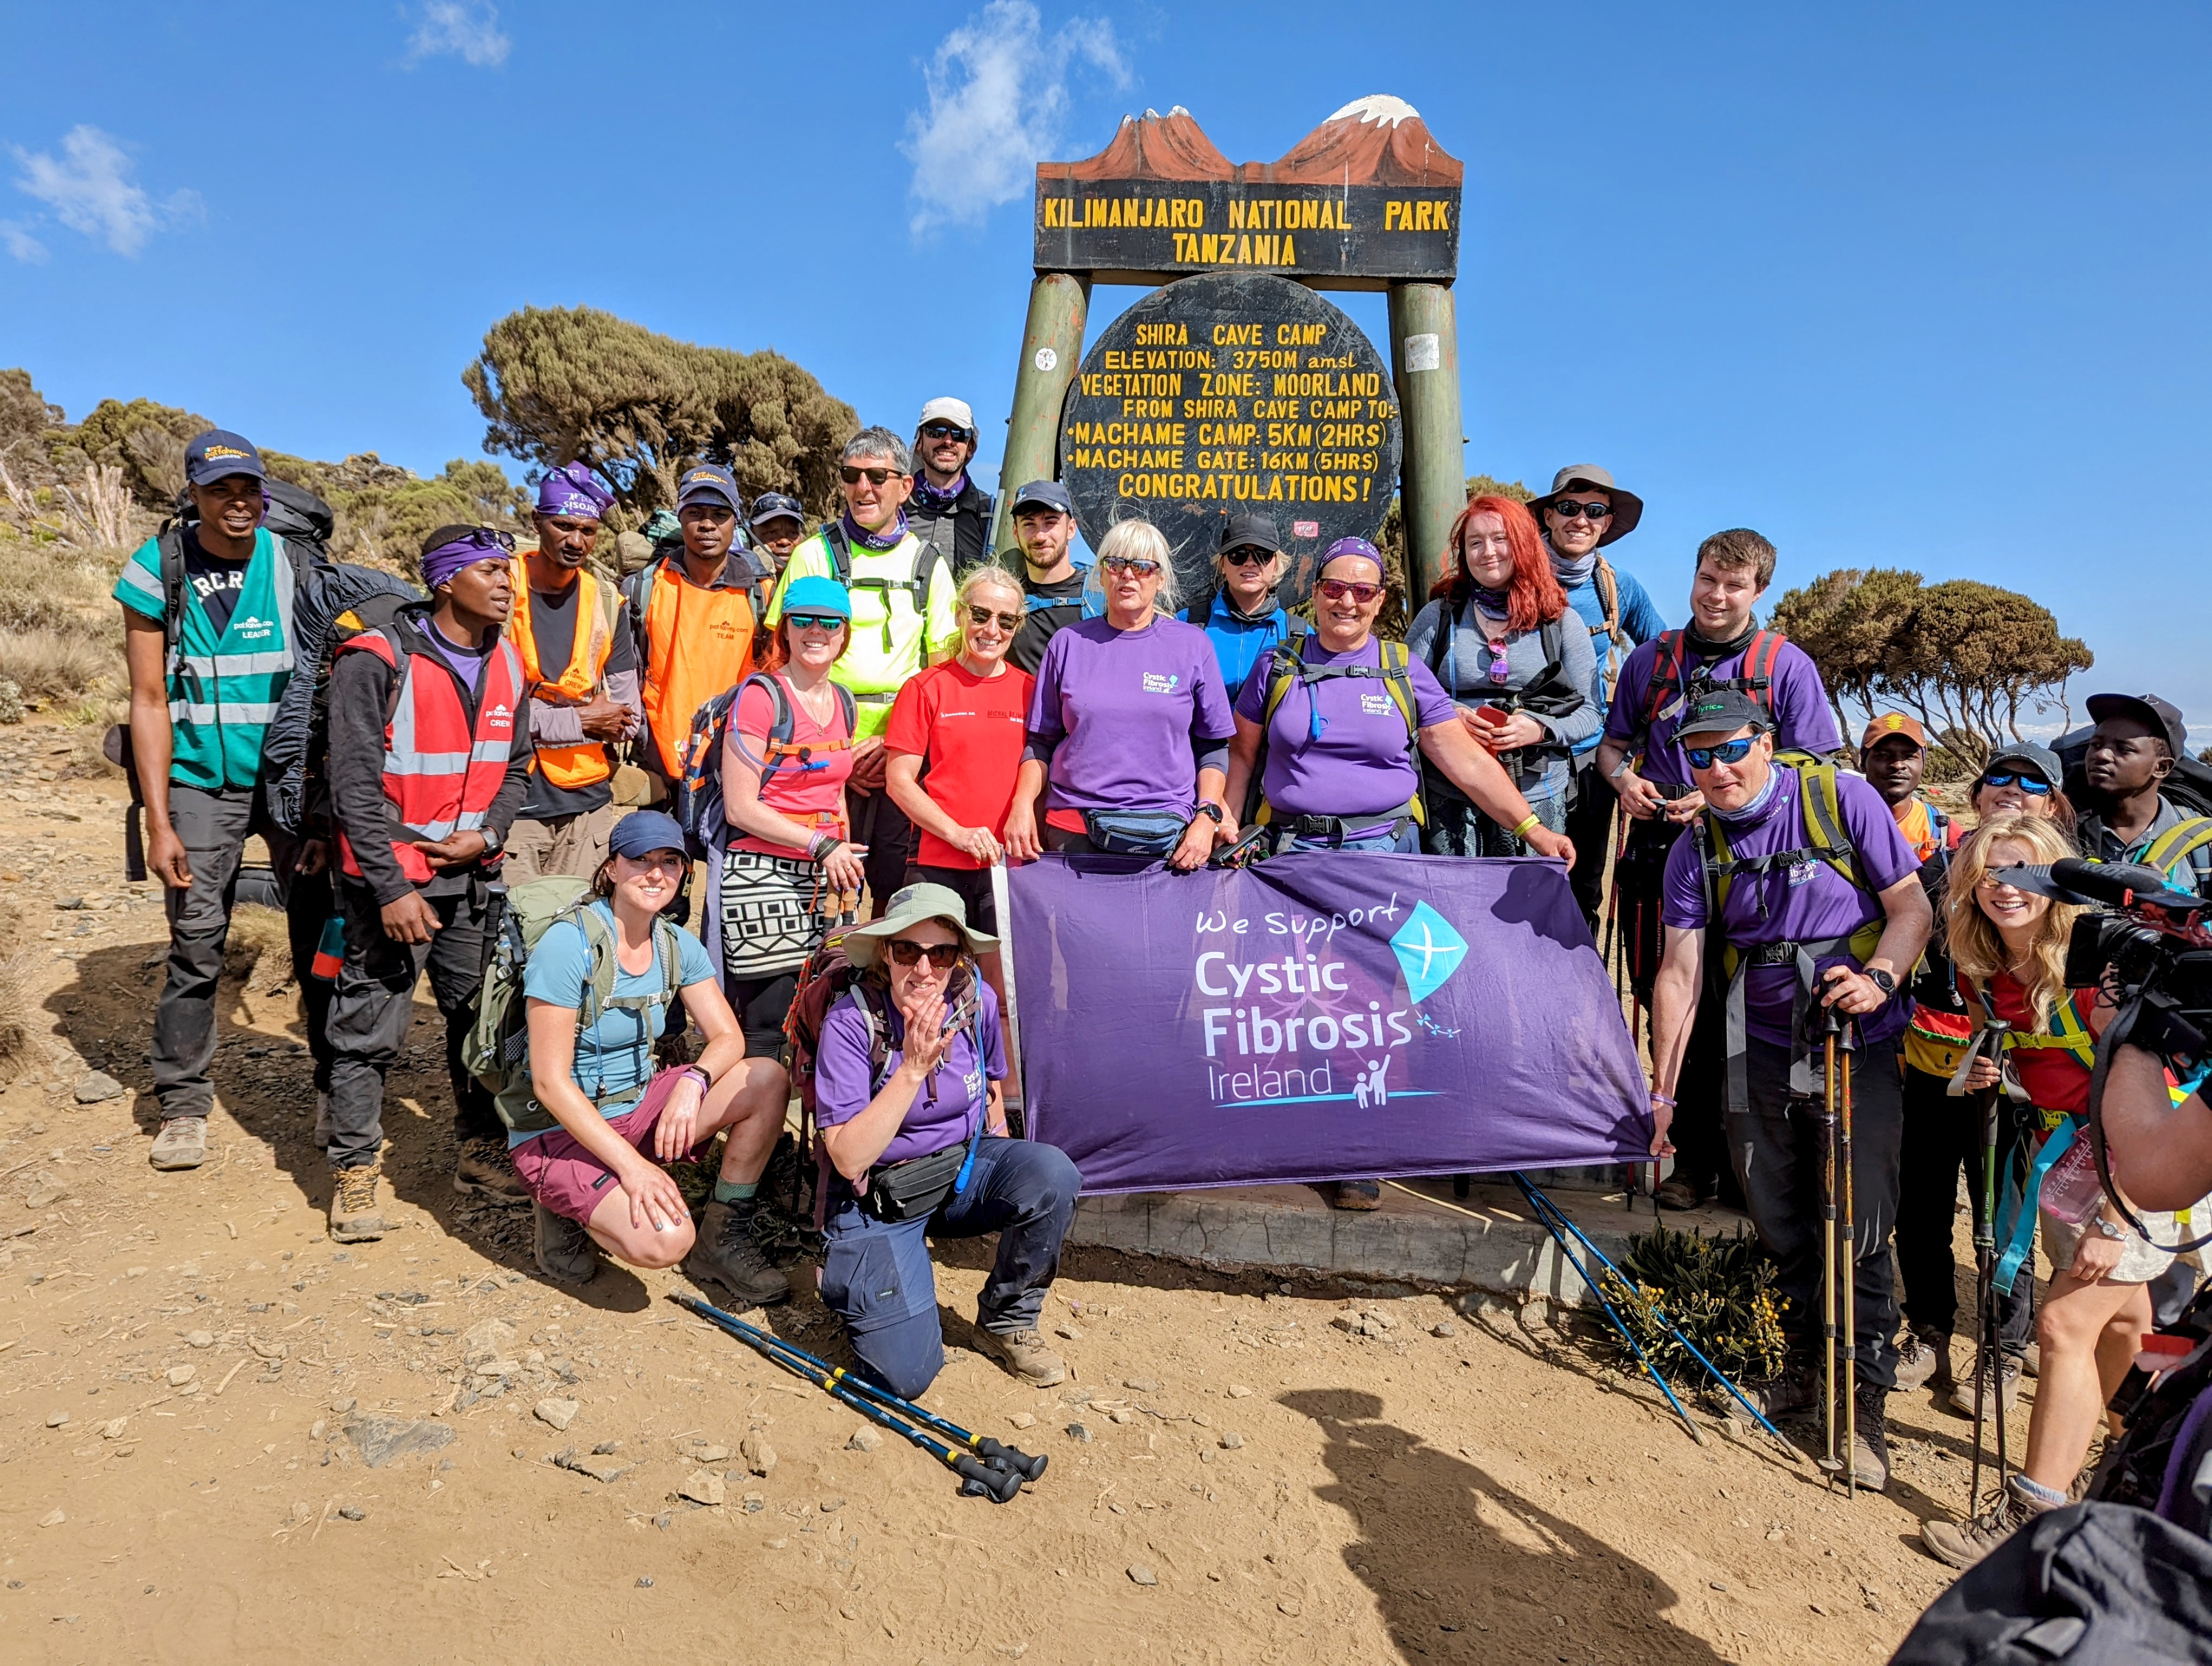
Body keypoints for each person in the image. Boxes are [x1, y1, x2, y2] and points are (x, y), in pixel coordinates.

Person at [1645, 690, 1931, 1489]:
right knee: (1779, 1214)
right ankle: (1805, 1372)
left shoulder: (1839, 797)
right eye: (1698, 756)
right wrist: (1663, 1100)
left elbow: (1911, 908)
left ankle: (1864, 1404)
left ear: (1765, 742)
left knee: (1858, 1217)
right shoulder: (1694, 848)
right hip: (1758, 1049)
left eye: (1730, 749)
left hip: (1853, 1043)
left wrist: (1880, 978)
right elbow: (1679, 971)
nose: (1717, 769)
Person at [1920, 815, 2204, 1568]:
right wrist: (1994, 1072)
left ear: (2059, 881)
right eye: (1988, 872)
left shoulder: (2101, 975)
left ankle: (2030, 1517)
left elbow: (2170, 1099)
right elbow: (2027, 1058)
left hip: (2143, 1167)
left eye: (2024, 870)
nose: (2005, 886)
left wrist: (2122, 1211)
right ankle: (2120, 1469)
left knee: (2064, 1329)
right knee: (2122, 1323)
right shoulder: (1986, 971)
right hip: (2073, 1156)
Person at [1599, 527, 1844, 1210]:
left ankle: (1752, 1172)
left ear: (1759, 591)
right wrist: (1626, 782)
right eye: (1709, 578)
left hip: (1757, 869)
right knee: (1671, 1008)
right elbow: (1611, 748)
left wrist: (1714, 801)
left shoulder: (1785, 666)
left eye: (1735, 585)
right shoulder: (1652, 661)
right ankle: (1690, 1163)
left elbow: (1813, 765)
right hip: (1658, 861)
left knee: (1754, 1015)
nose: (1717, 594)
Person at [115, 430, 332, 1172]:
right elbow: (148, 701)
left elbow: (331, 683)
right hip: (201, 783)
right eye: (220, 492)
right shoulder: (159, 569)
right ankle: (183, 1102)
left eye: (248, 490)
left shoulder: (295, 564)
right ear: (194, 496)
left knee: (318, 934)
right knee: (196, 940)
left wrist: (326, 803)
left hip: (289, 786)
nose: (237, 504)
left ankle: (337, 1085)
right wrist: (159, 819)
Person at [323, 527, 536, 1239]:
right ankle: (354, 1169)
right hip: (389, 884)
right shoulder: (376, 659)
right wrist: (389, 889)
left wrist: (490, 834)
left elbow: (516, 768)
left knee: (477, 1022)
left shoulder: (509, 662)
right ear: (446, 582)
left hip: (471, 877)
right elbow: (351, 784)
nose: (508, 582)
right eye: (491, 570)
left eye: (509, 570)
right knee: (370, 1024)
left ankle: (477, 1149)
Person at [813, 882, 1081, 1395]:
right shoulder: (851, 1023)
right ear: (885, 953)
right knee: (906, 1375)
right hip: (877, 1199)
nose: (923, 969)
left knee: (1051, 1174)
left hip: (957, 1173)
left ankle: (1006, 1320)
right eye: (908, 950)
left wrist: (1007, 1172)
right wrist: (911, 1070)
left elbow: (993, 1087)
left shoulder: (975, 1001)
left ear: (959, 957)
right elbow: (847, 1158)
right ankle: (854, 1274)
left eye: (942, 953)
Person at [512, 810, 790, 1303]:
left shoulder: (674, 945)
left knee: (765, 1079)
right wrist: (635, 1168)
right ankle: (567, 1208)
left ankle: (722, 1238)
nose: (656, 873)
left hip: (638, 1107)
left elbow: (729, 1037)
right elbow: (550, 1083)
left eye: (670, 862)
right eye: (640, 860)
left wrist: (694, 1081)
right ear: (612, 868)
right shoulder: (568, 945)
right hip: (558, 1129)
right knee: (665, 1240)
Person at [767, 428, 957, 913]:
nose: (864, 488)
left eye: (878, 476)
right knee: (820, 889)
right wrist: (840, 751)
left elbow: (942, 675)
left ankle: (881, 985)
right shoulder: (814, 554)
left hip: (901, 756)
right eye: (852, 476)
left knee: (895, 890)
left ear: (906, 486)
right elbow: (779, 658)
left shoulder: (929, 564)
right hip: (821, 750)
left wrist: (894, 743)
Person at [1004, 518, 1235, 869]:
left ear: (1160, 580)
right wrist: (1022, 805)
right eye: (1116, 564)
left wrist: (1206, 820)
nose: (1128, 575)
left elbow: (1213, 749)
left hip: (1168, 837)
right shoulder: (1067, 644)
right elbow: (1040, 742)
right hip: (1074, 830)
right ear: (1101, 574)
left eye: (1143, 567)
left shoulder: (1193, 646)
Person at [715, 575, 869, 1057]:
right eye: (803, 620)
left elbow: (835, 789)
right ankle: (758, 1126)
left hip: (827, 878)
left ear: (844, 633)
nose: (816, 631)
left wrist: (842, 855)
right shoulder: (761, 696)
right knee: (769, 1023)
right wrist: (822, 846)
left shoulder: (844, 701)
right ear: (785, 629)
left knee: (823, 1010)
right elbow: (741, 807)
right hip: (763, 874)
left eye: (830, 622)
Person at [1405, 495, 1599, 856]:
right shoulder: (1439, 616)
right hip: (1449, 795)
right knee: (1453, 906)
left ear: (1523, 544)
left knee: (1524, 908)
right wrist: (1449, 716)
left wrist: (1539, 728)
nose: (1488, 552)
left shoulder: (1560, 622)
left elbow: (1590, 713)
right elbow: (1401, 695)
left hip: (1536, 796)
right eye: (1475, 543)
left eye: (1500, 539)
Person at [1526, 465, 1667, 929]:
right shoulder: (1514, 578)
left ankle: (1580, 990)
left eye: (1594, 511)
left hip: (1590, 758)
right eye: (1568, 508)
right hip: (1525, 757)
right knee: (1527, 878)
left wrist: (1643, 729)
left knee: (1585, 882)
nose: (1580, 520)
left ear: (1607, 523)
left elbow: (1665, 656)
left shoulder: (1617, 586)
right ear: (1548, 516)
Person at [505, 463, 642, 880]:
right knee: (507, 941)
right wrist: (583, 718)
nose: (576, 541)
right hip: (510, 805)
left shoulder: (605, 601)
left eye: (588, 530)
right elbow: (481, 716)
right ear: (536, 521)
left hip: (587, 808)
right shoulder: (497, 589)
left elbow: (627, 718)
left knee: (577, 937)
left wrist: (535, 716)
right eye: (563, 526)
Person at [884, 567, 1033, 936]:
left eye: (1006, 620)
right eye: (980, 615)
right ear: (959, 614)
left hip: (1007, 866)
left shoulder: (1031, 690)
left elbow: (1041, 766)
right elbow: (899, 782)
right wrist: (957, 834)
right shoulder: (925, 688)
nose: (991, 630)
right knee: (931, 981)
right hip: (937, 862)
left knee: (1007, 987)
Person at [621, 462, 763, 800]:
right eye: (695, 512)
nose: (707, 524)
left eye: (720, 514)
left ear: (735, 522)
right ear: (680, 517)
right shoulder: (645, 589)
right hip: (657, 764)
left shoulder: (760, 594)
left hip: (735, 764)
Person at [2074, 692, 2211, 894]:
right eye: (2096, 745)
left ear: (2162, 768)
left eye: (2123, 749)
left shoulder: (2202, 845)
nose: (2101, 755)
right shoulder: (2066, 832)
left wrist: (2174, 903)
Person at [1190, 514, 1299, 700]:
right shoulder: (1187, 625)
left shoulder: (1300, 635)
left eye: (1262, 555)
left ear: (1276, 564)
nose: (1250, 563)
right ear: (1223, 564)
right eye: (1238, 555)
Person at [1004, 480, 1086, 675]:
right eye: (1029, 524)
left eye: (1050, 523)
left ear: (1071, 529)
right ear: (1016, 532)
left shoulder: (1101, 596)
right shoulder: (1006, 603)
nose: (1040, 536)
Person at [906, 398, 995, 575]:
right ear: (920, 442)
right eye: (936, 432)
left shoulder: (991, 516)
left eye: (958, 434)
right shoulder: (894, 508)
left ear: (970, 447)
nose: (947, 440)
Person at [745, 491, 808, 605]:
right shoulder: (738, 587)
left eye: (793, 533)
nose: (784, 541)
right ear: (752, 536)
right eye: (772, 532)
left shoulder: (816, 581)